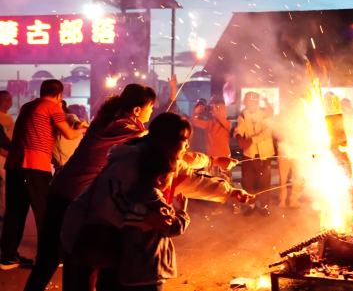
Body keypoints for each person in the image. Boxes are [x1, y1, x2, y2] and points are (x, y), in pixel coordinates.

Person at [60, 113, 252, 291]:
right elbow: (105, 202)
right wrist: (145, 216)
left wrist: (230, 192)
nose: (187, 146)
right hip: (90, 235)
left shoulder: (162, 161)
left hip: (122, 246)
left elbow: (191, 178)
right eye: (184, 140)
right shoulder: (130, 161)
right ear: (167, 141)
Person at [24, 84, 156, 291]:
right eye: (151, 106)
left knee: (51, 257)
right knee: (78, 258)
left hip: (62, 188)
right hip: (75, 196)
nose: (152, 111)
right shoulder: (121, 125)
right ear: (137, 110)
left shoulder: (109, 119)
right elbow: (152, 142)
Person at [0, 80, 87, 271]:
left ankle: (8, 257)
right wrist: (83, 128)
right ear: (59, 95)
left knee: (15, 212)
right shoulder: (52, 107)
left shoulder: (27, 107)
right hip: (35, 166)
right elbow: (70, 135)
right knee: (47, 213)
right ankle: (49, 256)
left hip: (15, 165)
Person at [117, 144, 190, 291]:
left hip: (129, 269)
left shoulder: (131, 194)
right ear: (161, 179)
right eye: (170, 177)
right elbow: (173, 228)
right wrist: (182, 212)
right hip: (150, 270)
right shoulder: (155, 201)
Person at [234, 92, 275, 216]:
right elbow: (239, 128)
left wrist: (252, 140)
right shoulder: (243, 115)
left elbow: (267, 132)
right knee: (248, 181)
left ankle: (264, 205)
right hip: (249, 154)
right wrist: (238, 136)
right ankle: (251, 205)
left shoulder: (265, 114)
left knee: (264, 182)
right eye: (248, 101)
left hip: (264, 154)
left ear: (257, 102)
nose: (251, 104)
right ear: (245, 102)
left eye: (253, 101)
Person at [52, 101, 85, 172]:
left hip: (71, 166)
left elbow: (76, 123)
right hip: (60, 168)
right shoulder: (52, 121)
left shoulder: (69, 117)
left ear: (60, 106)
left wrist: (80, 126)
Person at [0, 90, 14, 218]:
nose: (11, 102)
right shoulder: (6, 119)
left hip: (5, 153)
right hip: (4, 155)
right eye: (9, 99)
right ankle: (3, 212)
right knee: (5, 185)